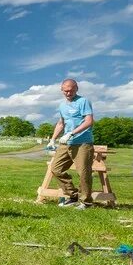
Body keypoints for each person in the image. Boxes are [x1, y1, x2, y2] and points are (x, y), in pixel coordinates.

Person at [45, 79, 94, 209]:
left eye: (71, 90)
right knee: (56, 169)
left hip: (82, 142)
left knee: (83, 172)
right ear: (62, 90)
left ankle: (86, 202)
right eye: (66, 90)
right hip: (66, 143)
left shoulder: (83, 101)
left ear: (76, 88)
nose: (69, 93)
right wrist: (53, 139)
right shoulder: (62, 105)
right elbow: (61, 123)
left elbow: (89, 121)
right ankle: (72, 196)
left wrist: (71, 133)